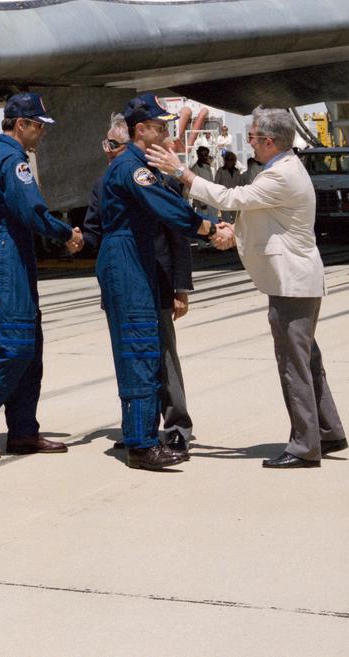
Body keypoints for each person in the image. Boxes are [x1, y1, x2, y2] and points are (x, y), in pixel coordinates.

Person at [147, 108, 348, 469]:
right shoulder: (282, 169)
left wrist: (181, 172)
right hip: (296, 282)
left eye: (254, 137)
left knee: (293, 365)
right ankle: (327, 430)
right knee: (308, 361)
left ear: (269, 142)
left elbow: (231, 199)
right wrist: (226, 233)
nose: (249, 141)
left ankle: (305, 445)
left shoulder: (281, 175)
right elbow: (259, 218)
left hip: (292, 286)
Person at [0, 93, 84, 458]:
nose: (41, 133)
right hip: (8, 252)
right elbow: (32, 211)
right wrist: (66, 234)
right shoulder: (11, 161)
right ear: (20, 124)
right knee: (16, 344)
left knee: (30, 347)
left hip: (9, 250)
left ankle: (23, 430)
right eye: (38, 126)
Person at [97, 95, 225, 470]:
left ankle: (144, 436)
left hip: (133, 260)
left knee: (146, 348)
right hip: (127, 262)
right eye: (161, 127)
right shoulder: (132, 169)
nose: (168, 133)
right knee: (139, 350)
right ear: (142, 131)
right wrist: (208, 227)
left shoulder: (135, 165)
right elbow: (167, 208)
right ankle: (140, 445)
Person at [214, 151, 245, 223]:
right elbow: (216, 185)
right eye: (228, 160)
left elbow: (241, 185)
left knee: (237, 221)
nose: (230, 162)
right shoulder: (220, 171)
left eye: (232, 160)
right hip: (224, 200)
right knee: (226, 221)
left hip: (235, 200)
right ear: (225, 161)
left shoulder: (237, 172)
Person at [188, 146, 214, 213]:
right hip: (202, 204)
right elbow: (196, 186)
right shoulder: (195, 168)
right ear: (199, 156)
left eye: (206, 155)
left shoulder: (208, 167)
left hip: (211, 201)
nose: (206, 157)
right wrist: (202, 203)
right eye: (204, 155)